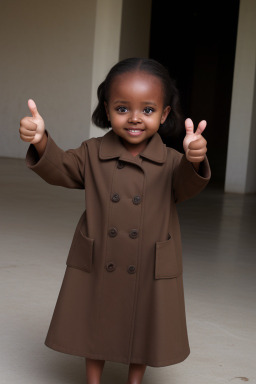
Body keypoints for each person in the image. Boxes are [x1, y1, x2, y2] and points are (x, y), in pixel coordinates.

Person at [19, 58, 211, 384]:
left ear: (164, 114)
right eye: (123, 108)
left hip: (148, 258)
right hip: (100, 256)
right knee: (96, 324)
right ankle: (93, 380)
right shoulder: (92, 153)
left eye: (148, 110)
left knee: (144, 326)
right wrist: (40, 141)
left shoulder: (171, 162)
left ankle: (134, 380)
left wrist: (196, 158)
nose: (135, 118)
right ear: (107, 110)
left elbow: (187, 183)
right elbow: (60, 168)